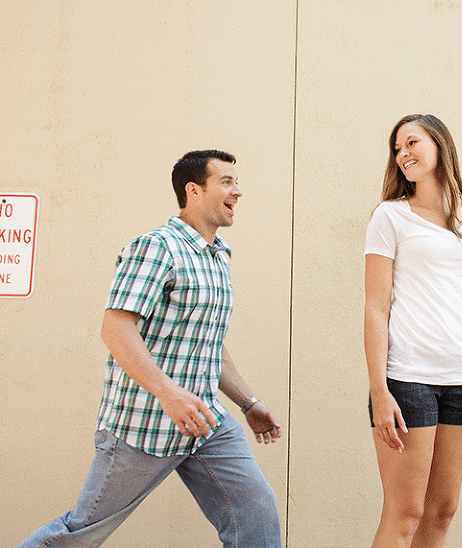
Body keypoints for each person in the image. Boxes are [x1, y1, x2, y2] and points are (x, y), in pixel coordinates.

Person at [16, 150, 282, 548]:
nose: (238, 191)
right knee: (80, 533)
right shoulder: (157, 248)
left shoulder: (217, 256)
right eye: (226, 182)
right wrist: (168, 393)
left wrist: (248, 402)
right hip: (144, 425)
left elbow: (207, 342)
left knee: (255, 514)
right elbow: (116, 329)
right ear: (194, 190)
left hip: (205, 422)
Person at [365, 114, 462, 548]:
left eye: (412, 143)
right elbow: (375, 307)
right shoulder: (390, 217)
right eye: (397, 148)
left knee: (442, 511)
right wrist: (378, 390)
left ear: (440, 145)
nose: (403, 154)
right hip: (407, 379)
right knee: (406, 512)